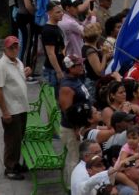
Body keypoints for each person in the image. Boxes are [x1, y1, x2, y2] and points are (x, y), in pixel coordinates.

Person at [0, 35, 31, 180]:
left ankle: (15, 163)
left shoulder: (17, 61)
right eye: (11, 47)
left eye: (16, 46)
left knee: (18, 138)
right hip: (12, 110)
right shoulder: (1, 66)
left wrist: (25, 73)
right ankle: (10, 168)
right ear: (5, 49)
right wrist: (5, 111)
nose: (14, 49)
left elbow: (16, 81)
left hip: (21, 107)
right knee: (12, 140)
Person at [60, 55, 93, 186]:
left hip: (79, 127)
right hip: (71, 129)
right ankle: (72, 187)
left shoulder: (75, 79)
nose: (81, 67)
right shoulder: (67, 87)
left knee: (76, 156)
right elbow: (67, 111)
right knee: (74, 158)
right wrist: (76, 129)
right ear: (70, 67)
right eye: (78, 65)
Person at [41, 0, 66, 96]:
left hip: (60, 65)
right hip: (52, 70)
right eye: (58, 12)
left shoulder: (56, 27)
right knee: (55, 98)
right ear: (49, 13)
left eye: (62, 11)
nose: (61, 14)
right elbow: (51, 53)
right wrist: (58, 71)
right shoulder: (48, 30)